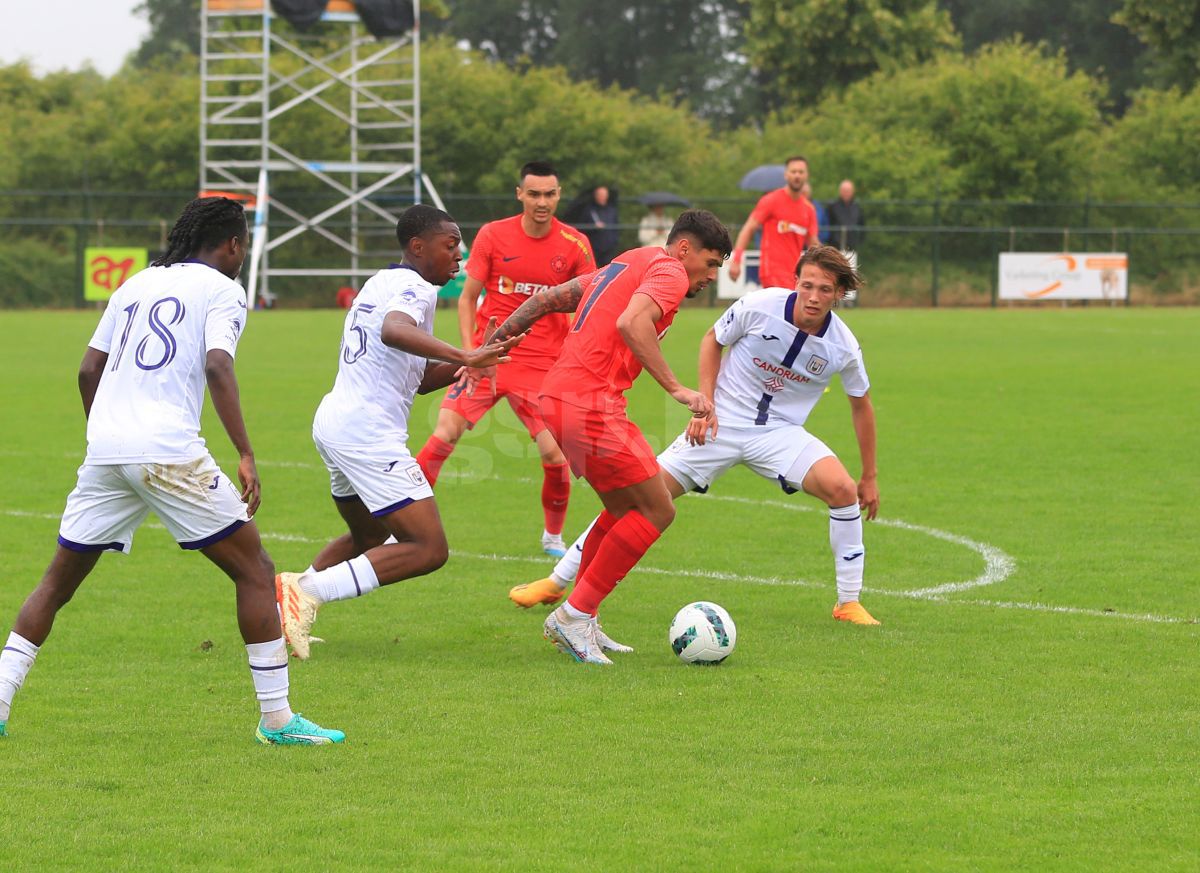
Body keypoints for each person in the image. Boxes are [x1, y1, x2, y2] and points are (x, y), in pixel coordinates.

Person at [0, 197, 344, 745]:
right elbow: (217, 365)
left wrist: (108, 432)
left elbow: (89, 368)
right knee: (256, 570)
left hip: (107, 450)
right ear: (232, 245)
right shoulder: (225, 290)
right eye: (243, 247)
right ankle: (277, 720)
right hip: (165, 450)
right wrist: (246, 452)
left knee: (57, 582)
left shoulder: (134, 284)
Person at [511, 245, 881, 626]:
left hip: (780, 434)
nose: (814, 297)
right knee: (638, 497)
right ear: (796, 282)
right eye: (807, 285)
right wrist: (707, 402)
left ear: (839, 294)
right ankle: (557, 582)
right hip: (718, 424)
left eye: (825, 290)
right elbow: (712, 339)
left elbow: (861, 404)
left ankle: (848, 603)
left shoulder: (843, 345)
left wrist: (868, 476)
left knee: (842, 490)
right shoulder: (761, 305)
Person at [274, 205, 524, 660]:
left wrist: (470, 358)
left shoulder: (381, 281)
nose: (458, 256)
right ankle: (305, 590)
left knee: (369, 537)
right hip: (367, 434)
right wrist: (466, 357)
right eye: (450, 245)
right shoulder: (413, 289)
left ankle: (282, 615)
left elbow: (417, 377)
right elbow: (393, 331)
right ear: (417, 246)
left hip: (336, 423)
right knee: (428, 548)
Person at [491, 209, 733, 664]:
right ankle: (572, 617)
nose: (712, 275)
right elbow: (631, 323)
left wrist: (492, 343)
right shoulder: (669, 271)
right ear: (685, 249)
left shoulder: (630, 259)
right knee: (658, 509)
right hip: (590, 404)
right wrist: (679, 389)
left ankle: (584, 616)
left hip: (561, 398)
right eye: (712, 262)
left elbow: (547, 300)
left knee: (624, 509)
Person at [414, 161, 595, 558]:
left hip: (545, 367)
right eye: (534, 194)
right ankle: (403, 525)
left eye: (549, 194)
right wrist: (471, 355)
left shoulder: (576, 245)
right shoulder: (494, 235)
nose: (541, 202)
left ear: (558, 195)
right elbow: (466, 298)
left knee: (554, 455)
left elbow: (589, 309)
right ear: (520, 194)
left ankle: (552, 538)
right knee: (443, 434)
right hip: (489, 359)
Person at [728, 156, 819, 289]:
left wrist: (827, 265)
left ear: (807, 175)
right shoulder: (771, 200)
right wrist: (736, 260)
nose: (797, 176)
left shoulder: (809, 209)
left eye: (801, 172)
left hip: (795, 273)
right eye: (793, 172)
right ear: (786, 175)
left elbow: (813, 243)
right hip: (772, 271)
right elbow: (749, 228)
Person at [570, 185, 620, 266]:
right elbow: (582, 228)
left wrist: (614, 240)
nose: (603, 197)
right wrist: (594, 227)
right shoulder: (589, 210)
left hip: (609, 247)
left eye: (604, 195)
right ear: (596, 196)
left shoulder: (611, 210)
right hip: (594, 247)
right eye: (600, 195)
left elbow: (616, 226)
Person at [825, 179, 866, 252]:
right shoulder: (832, 207)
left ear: (853, 191)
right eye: (844, 190)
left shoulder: (857, 207)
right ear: (840, 191)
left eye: (848, 190)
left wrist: (858, 240)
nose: (846, 193)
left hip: (852, 247)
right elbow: (828, 225)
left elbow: (862, 225)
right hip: (835, 248)